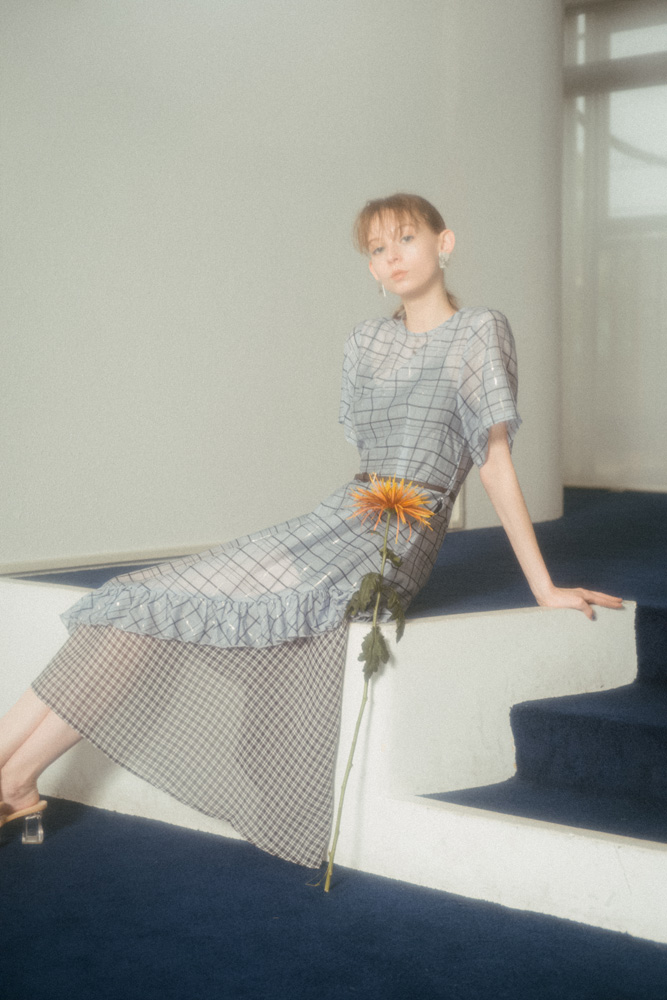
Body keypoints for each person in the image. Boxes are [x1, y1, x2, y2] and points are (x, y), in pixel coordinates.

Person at [0, 193, 623, 865]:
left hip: (397, 538)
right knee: (131, 599)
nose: (392, 257)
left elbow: (493, 460)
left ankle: (11, 779)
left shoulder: (479, 330)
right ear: (371, 268)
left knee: (154, 608)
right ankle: (15, 780)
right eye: (377, 249)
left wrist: (543, 586)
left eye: (405, 239)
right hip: (343, 514)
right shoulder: (366, 340)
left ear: (444, 243)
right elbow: (369, 459)